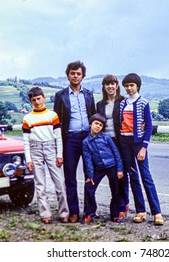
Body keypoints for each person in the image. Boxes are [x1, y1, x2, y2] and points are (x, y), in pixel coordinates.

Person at [53, 61, 96, 223]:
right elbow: (56, 121)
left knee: (89, 175)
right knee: (70, 177)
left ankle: (90, 211)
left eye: (78, 73)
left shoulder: (89, 94)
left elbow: (94, 116)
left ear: (82, 76)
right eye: (72, 73)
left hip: (87, 138)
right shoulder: (60, 96)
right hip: (70, 139)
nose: (75, 76)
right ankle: (73, 212)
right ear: (68, 75)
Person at [119, 73, 164, 226]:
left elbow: (149, 126)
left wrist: (144, 147)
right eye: (126, 85)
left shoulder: (143, 103)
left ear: (137, 86)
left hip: (138, 144)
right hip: (125, 143)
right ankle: (140, 211)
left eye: (131, 85)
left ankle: (157, 212)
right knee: (133, 177)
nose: (129, 88)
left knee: (146, 177)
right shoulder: (122, 103)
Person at [22, 86, 69, 224]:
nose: (37, 102)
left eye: (39, 98)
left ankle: (64, 212)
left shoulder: (52, 115)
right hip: (35, 149)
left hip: (51, 148)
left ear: (44, 97)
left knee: (59, 182)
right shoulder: (27, 118)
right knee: (40, 183)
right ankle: (45, 213)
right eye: (34, 100)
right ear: (30, 101)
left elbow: (58, 137)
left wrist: (59, 155)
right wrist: (28, 159)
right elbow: (25, 141)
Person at [81, 113, 124, 224]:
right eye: (96, 123)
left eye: (100, 125)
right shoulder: (86, 142)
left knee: (116, 190)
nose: (98, 126)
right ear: (91, 124)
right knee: (89, 187)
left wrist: (119, 169)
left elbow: (116, 154)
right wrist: (90, 175)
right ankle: (90, 212)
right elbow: (88, 160)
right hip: (98, 168)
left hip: (112, 166)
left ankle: (115, 215)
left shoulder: (107, 138)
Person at [96, 74, 129, 219]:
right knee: (113, 176)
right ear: (104, 87)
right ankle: (116, 207)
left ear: (117, 86)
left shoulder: (123, 101)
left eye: (113, 84)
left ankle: (123, 204)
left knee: (122, 174)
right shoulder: (100, 105)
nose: (110, 86)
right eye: (107, 84)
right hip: (105, 143)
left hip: (120, 141)